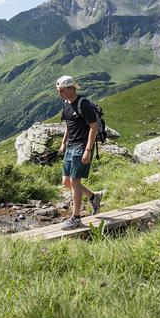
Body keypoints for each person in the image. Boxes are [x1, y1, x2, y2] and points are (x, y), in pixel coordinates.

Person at [55, 75, 103, 230]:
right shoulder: (66, 104)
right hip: (71, 146)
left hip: (82, 146)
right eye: (58, 91)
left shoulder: (84, 104)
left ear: (71, 88)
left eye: (62, 91)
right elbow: (69, 125)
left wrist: (88, 150)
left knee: (75, 182)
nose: (59, 94)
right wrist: (63, 143)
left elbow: (93, 127)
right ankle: (93, 197)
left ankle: (76, 218)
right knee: (66, 182)